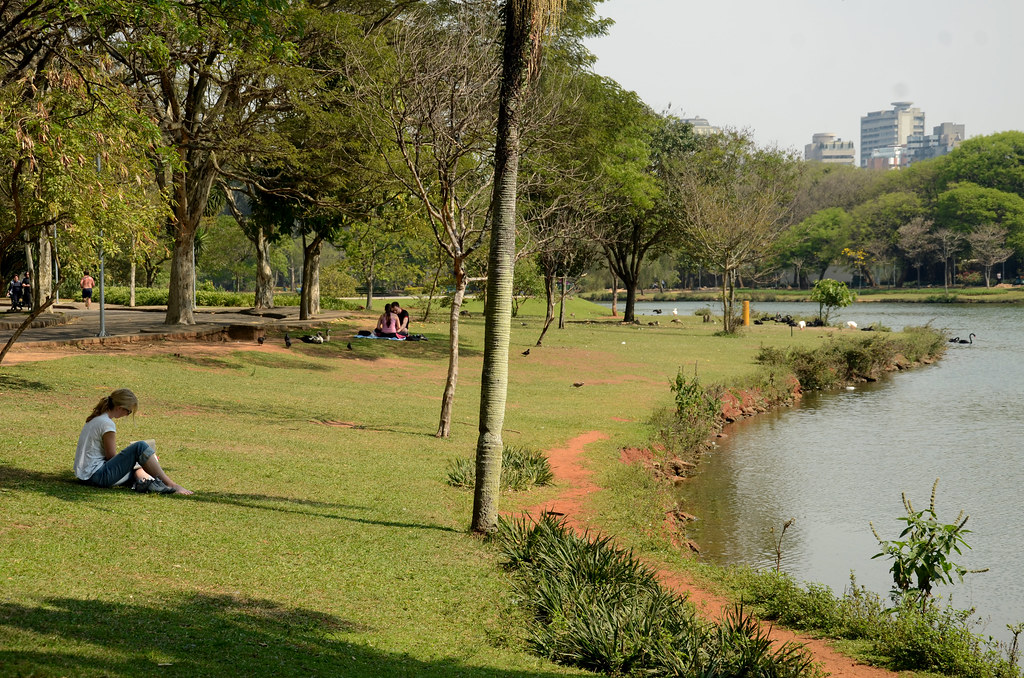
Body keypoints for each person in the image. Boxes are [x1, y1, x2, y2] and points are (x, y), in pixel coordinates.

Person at [74, 388, 193, 495]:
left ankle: (146, 482)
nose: (127, 415)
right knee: (140, 447)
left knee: (140, 460)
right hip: (97, 476)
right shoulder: (107, 424)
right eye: (128, 411)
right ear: (119, 408)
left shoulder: (96, 419)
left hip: (87, 475)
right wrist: (135, 460)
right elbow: (110, 456)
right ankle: (171, 484)